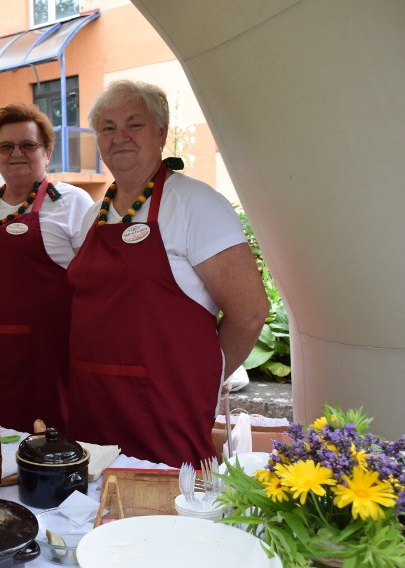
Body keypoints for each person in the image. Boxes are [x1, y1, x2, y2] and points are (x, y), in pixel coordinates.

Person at [68, 80, 268, 468]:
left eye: (134, 124)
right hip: (94, 400)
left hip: (165, 405)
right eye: (107, 127)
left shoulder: (196, 203)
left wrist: (200, 377)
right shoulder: (93, 216)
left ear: (161, 132)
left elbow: (250, 311)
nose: (119, 136)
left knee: (168, 509)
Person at [0, 103, 94, 435]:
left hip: (47, 362)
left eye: (28, 145)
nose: (15, 153)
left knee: (47, 450)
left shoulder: (71, 202)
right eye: (5, 146)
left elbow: (94, 285)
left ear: (47, 152)